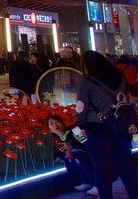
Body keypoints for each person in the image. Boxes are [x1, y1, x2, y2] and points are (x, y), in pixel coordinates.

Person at [75, 50, 138, 199]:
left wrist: (79, 128)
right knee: (126, 166)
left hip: (96, 129)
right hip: (121, 126)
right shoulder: (119, 76)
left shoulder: (88, 81)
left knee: (101, 169)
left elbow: (81, 108)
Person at [46, 114, 96, 195]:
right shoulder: (55, 139)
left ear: (63, 123)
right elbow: (57, 154)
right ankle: (85, 182)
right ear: (50, 129)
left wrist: (72, 144)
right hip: (72, 157)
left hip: (86, 153)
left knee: (76, 157)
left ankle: (96, 184)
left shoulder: (75, 129)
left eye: (57, 122)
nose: (55, 125)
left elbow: (84, 140)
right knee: (69, 160)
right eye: (51, 124)